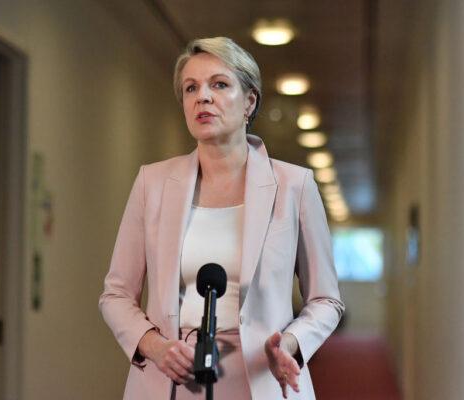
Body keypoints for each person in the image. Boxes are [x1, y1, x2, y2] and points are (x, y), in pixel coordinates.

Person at [99, 37, 344, 400]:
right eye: (191, 88)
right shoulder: (152, 183)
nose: (203, 97)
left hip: (262, 377)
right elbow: (116, 294)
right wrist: (154, 347)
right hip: (171, 380)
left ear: (249, 101)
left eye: (219, 84)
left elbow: (326, 300)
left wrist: (290, 344)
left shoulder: (294, 186)